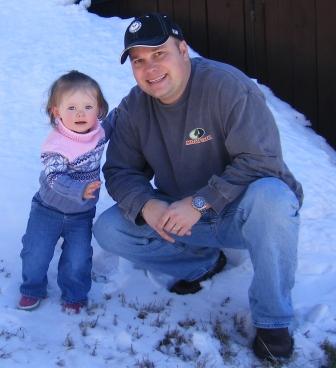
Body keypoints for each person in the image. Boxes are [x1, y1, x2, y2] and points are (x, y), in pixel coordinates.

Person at [93, 13, 303, 359]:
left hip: (240, 212)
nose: (150, 68)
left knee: (274, 199)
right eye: (139, 60)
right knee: (110, 229)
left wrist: (200, 203)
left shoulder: (227, 87)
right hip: (181, 216)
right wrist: (148, 204)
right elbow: (119, 171)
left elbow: (262, 162)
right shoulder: (134, 108)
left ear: (184, 50)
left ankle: (273, 320)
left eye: (159, 54)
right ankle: (201, 264)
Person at [18, 70, 113, 313]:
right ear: (56, 111)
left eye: (88, 106)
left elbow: (116, 121)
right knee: (35, 253)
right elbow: (54, 177)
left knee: (78, 258)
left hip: (81, 215)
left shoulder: (99, 133)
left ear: (99, 109)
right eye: (71, 108)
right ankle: (32, 287)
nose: (80, 113)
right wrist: (80, 189)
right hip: (47, 210)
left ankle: (74, 293)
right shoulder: (56, 144)